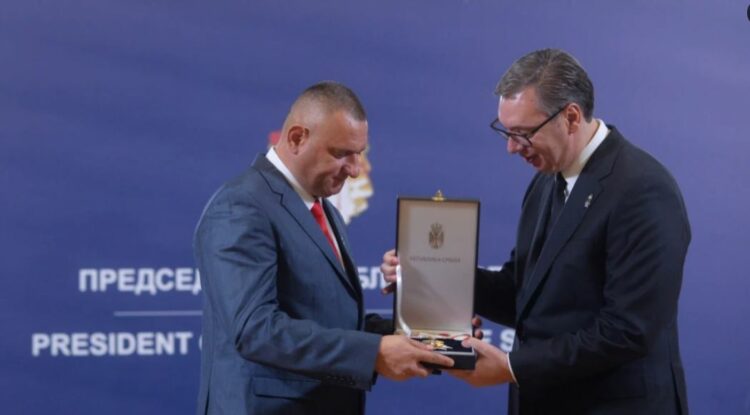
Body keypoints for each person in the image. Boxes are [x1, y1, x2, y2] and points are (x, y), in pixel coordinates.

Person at [381, 49, 691, 414]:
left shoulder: (642, 189)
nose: (512, 148)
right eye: (506, 132)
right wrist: (427, 274)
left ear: (571, 117)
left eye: (523, 134)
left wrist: (513, 367)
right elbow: (524, 294)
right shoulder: (545, 182)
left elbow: (627, 330)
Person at [194, 81, 453, 415]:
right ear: (297, 138)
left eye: (359, 154)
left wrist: (424, 334)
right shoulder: (241, 206)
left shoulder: (322, 208)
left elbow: (327, 319)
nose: (355, 170)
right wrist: (373, 353)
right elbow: (255, 330)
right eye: (341, 154)